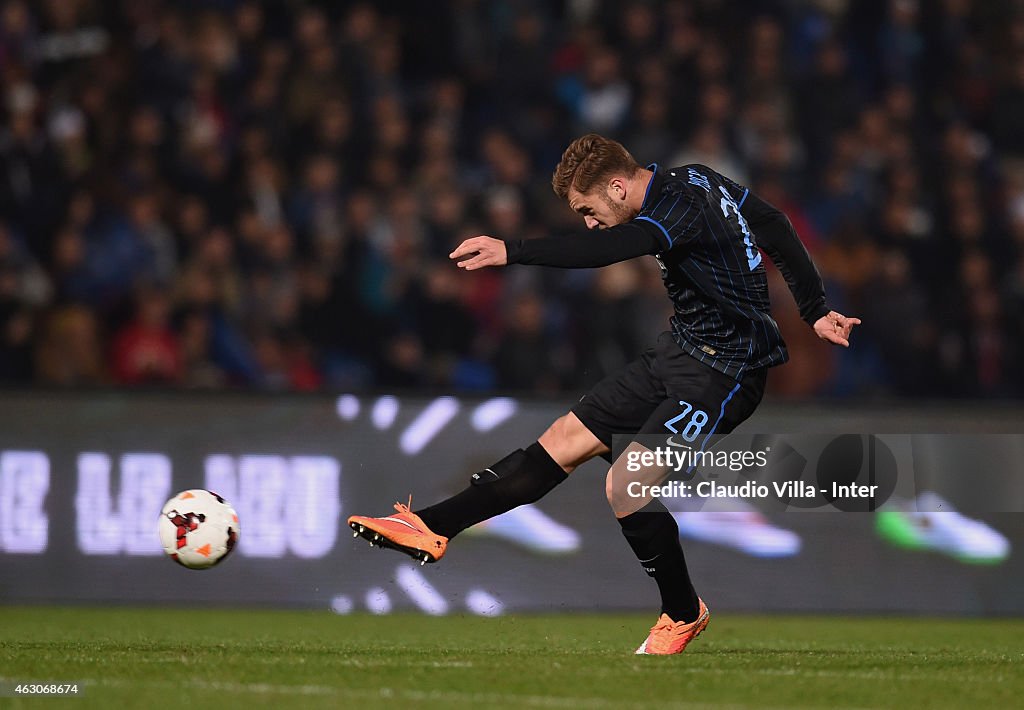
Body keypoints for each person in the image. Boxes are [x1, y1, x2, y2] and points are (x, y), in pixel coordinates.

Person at [348, 134, 860, 655]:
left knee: (627, 484)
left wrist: (513, 250)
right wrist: (814, 307)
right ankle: (430, 526)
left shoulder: (676, 207)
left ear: (617, 186)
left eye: (588, 210)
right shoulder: (697, 177)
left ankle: (682, 614)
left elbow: (605, 251)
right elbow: (772, 223)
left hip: (726, 372)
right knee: (564, 440)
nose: (589, 222)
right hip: (679, 352)